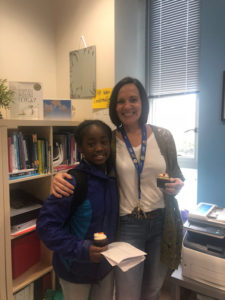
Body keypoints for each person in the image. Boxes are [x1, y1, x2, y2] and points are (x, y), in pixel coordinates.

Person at [51, 77, 184, 300]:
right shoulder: (110, 140)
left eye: (133, 99)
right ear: (114, 107)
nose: (127, 106)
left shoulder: (164, 137)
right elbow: (90, 165)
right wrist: (60, 175)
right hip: (128, 225)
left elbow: (176, 174)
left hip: (162, 223)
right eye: (121, 101)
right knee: (128, 293)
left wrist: (178, 185)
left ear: (143, 102)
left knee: (152, 290)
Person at [36, 120, 118, 300]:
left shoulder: (113, 178)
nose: (99, 148)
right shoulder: (72, 182)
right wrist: (82, 249)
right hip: (75, 270)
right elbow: (46, 227)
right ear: (80, 147)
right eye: (91, 143)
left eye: (104, 142)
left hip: (105, 267)